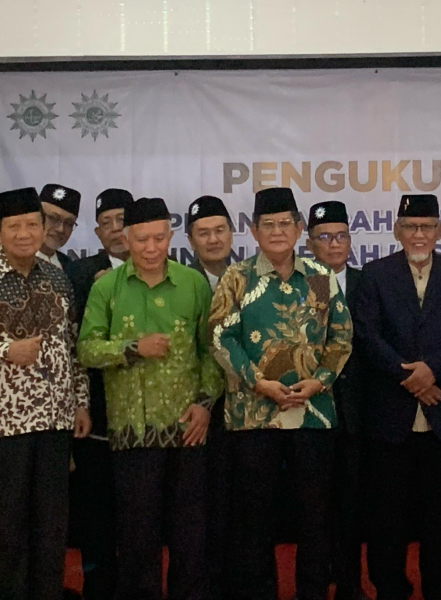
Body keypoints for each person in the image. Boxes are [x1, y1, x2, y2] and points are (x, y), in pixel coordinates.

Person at [0, 187, 92, 600]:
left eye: (31, 225)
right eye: (14, 227)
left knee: (51, 526)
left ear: (43, 229)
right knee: (4, 527)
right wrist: (5, 350)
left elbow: (72, 345)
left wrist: (80, 402)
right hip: (4, 425)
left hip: (56, 421)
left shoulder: (58, 279)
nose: (24, 234)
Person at [209, 187, 353, 600]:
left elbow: (340, 336)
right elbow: (221, 337)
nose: (277, 232)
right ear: (253, 231)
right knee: (254, 519)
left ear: (299, 228)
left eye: (285, 224)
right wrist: (259, 382)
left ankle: (313, 592)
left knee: (315, 515)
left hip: (313, 413)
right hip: (254, 415)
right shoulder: (237, 278)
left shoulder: (319, 276)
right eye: (268, 225)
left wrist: (319, 380)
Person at [78, 196, 223, 600]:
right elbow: (86, 349)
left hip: (188, 429)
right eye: (141, 239)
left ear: (171, 236)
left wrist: (205, 405)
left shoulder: (193, 283)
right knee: (137, 538)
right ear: (126, 239)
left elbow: (212, 352)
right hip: (133, 431)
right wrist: (131, 348)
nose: (151, 248)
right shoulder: (106, 287)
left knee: (189, 536)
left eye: (159, 238)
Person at [354, 193, 441, 600]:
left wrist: (432, 370)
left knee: (440, 516)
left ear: (440, 231)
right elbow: (367, 335)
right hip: (389, 415)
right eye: (410, 226)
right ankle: (390, 589)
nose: (419, 234)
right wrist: (410, 377)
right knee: (386, 516)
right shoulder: (374, 275)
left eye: (427, 226)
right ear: (397, 231)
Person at [64, 187, 134, 600]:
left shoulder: (161, 270)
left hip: (145, 416)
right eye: (106, 223)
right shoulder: (79, 273)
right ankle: (99, 586)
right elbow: (72, 341)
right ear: (96, 232)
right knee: (96, 508)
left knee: (139, 509)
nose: (115, 229)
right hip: (96, 413)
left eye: (122, 220)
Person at [305, 200, 365, 600]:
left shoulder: (368, 282)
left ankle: (349, 582)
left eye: (341, 235)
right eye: (325, 237)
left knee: (352, 502)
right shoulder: (301, 283)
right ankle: (313, 583)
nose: (334, 244)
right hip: (311, 411)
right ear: (310, 244)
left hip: (360, 412)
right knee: (314, 504)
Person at [184, 194, 234, 600]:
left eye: (219, 230)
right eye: (203, 233)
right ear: (190, 240)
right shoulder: (182, 283)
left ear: (232, 234)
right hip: (199, 412)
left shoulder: (251, 279)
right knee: (199, 505)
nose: (213, 239)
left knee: (243, 502)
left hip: (248, 409)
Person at [38, 183, 81, 269]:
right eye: (53, 218)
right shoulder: (14, 260)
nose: (61, 229)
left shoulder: (72, 268)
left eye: (69, 223)